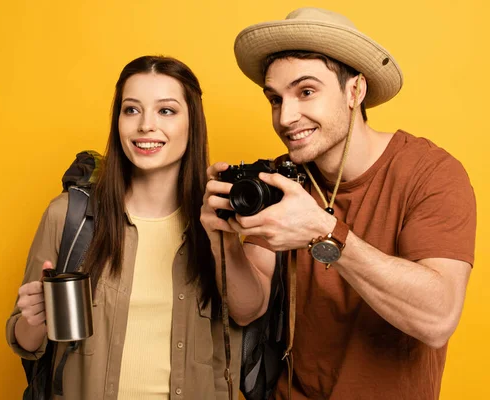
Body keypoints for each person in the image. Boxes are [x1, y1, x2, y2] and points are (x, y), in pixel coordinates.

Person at [200, 7, 476, 400]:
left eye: (306, 91)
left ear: (355, 91)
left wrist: (324, 232)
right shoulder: (282, 178)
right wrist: (224, 239)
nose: (286, 117)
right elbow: (249, 307)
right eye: (275, 99)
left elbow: (438, 317)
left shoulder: (431, 174)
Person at [6, 55, 242, 400]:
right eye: (131, 110)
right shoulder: (68, 216)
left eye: (166, 111)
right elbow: (26, 343)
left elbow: (240, 332)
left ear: (193, 122)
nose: (146, 125)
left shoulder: (220, 223)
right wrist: (34, 318)